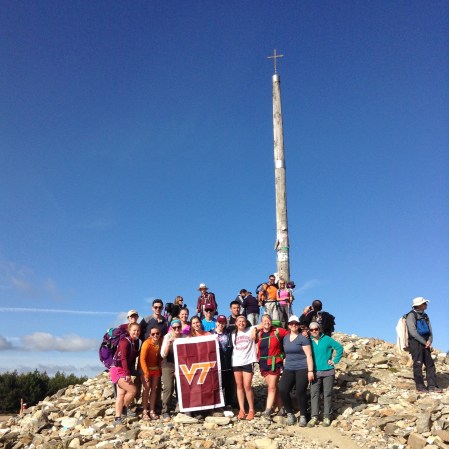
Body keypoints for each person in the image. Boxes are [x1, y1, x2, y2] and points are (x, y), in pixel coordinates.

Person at [278, 315, 314, 427]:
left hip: (302, 367)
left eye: (296, 323)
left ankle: (303, 414)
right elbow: (285, 352)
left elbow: (308, 355)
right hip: (289, 367)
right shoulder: (285, 338)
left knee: (300, 391)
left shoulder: (303, 338)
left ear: (298, 325)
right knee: (283, 389)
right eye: (291, 323)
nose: (294, 325)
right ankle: (290, 413)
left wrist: (310, 371)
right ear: (288, 325)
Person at [307, 322, 343, 427]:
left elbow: (339, 348)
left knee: (327, 394)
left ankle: (326, 416)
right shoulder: (308, 341)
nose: (314, 331)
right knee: (314, 394)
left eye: (316, 329)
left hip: (328, 371)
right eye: (312, 330)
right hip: (315, 372)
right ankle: (314, 417)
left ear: (319, 329)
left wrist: (335, 360)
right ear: (309, 331)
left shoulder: (327, 339)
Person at [406, 297, 442, 393]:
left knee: (430, 364)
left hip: (426, 342)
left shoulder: (425, 315)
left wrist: (430, 341)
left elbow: (430, 330)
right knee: (418, 364)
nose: (426, 304)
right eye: (425, 303)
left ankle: (432, 386)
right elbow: (413, 332)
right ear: (419, 305)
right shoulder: (411, 315)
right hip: (416, 342)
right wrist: (424, 342)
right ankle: (420, 386)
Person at [256, 314, 289, 421]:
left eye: (268, 320)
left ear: (271, 321)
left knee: (271, 387)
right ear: (261, 322)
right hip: (263, 363)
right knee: (274, 386)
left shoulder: (278, 331)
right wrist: (256, 329)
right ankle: (281, 408)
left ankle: (267, 410)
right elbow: (253, 340)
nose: (267, 322)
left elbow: (290, 334)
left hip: (275, 362)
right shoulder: (259, 333)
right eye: (264, 321)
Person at [109, 323, 141, 426]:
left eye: (138, 331)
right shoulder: (124, 342)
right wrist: (127, 374)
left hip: (119, 369)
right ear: (129, 331)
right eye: (134, 330)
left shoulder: (133, 342)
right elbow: (123, 358)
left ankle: (117, 418)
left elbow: (131, 356)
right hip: (118, 370)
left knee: (121, 394)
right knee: (133, 390)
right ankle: (124, 409)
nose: (136, 332)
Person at [232, 315, 257, 421]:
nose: (241, 323)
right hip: (236, 361)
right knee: (239, 386)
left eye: (243, 321)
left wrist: (255, 330)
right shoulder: (233, 333)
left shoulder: (250, 329)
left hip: (248, 361)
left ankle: (251, 409)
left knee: (247, 386)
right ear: (236, 323)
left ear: (246, 322)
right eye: (239, 321)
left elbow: (261, 325)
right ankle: (242, 409)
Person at [160, 319, 186, 420]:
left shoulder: (184, 337)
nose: (176, 329)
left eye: (178, 327)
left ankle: (182, 407)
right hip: (168, 364)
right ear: (171, 328)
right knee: (168, 387)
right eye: (174, 327)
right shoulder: (167, 337)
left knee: (181, 387)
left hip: (180, 364)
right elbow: (163, 354)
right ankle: (165, 410)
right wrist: (168, 344)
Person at [211, 315, 235, 409]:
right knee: (219, 385)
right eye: (219, 322)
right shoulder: (211, 334)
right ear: (216, 322)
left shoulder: (229, 333)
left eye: (223, 322)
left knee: (229, 385)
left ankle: (229, 403)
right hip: (217, 364)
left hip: (228, 363)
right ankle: (219, 404)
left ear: (225, 323)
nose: (221, 324)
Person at [139, 326, 162, 421]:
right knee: (146, 388)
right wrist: (146, 373)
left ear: (160, 334)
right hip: (146, 368)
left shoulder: (161, 342)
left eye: (157, 333)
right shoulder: (146, 344)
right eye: (153, 334)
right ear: (150, 335)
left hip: (156, 368)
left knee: (154, 389)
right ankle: (145, 410)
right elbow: (142, 359)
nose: (155, 335)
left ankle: (152, 410)